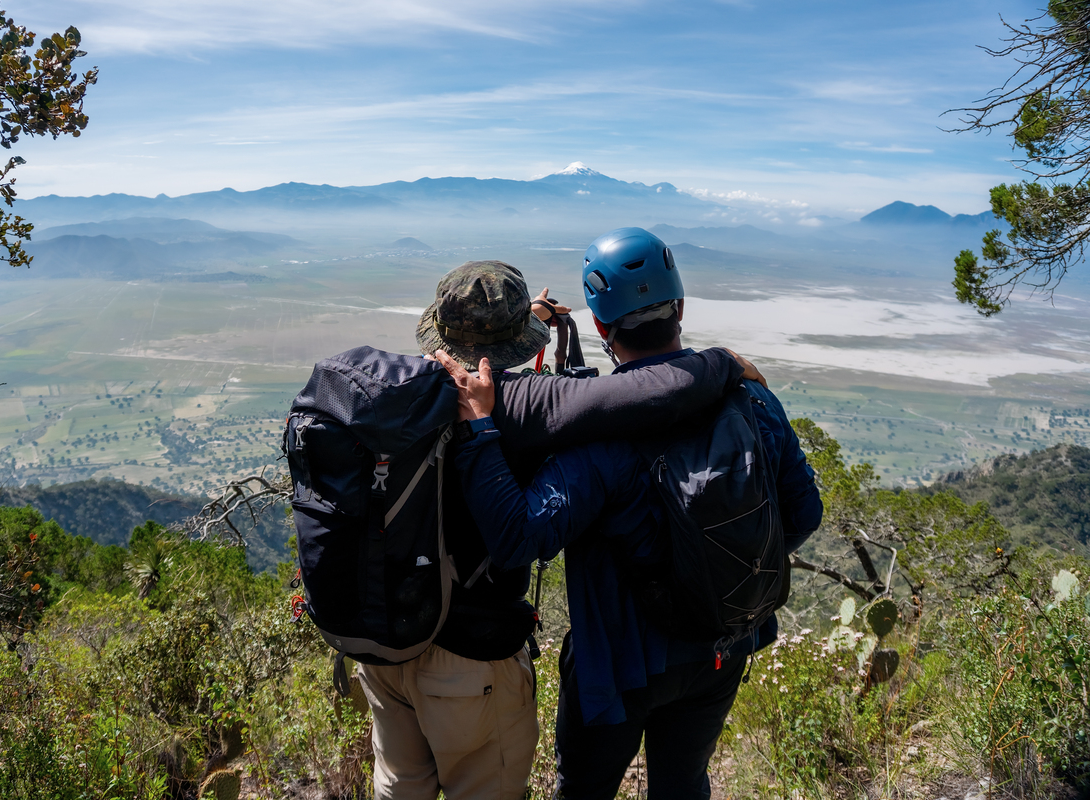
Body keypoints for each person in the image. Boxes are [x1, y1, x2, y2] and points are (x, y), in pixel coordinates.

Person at [353, 258, 767, 800]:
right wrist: (722, 363)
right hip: (468, 653)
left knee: (401, 788)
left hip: (385, 635)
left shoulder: (398, 392)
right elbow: (639, 393)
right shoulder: (525, 404)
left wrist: (530, 321)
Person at [438, 228, 823, 799]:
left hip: (615, 667)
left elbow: (518, 537)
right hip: (722, 641)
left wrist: (481, 431)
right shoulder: (753, 397)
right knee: (683, 782)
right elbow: (804, 513)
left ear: (600, 326)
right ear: (682, 308)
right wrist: (711, 566)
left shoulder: (599, 437)